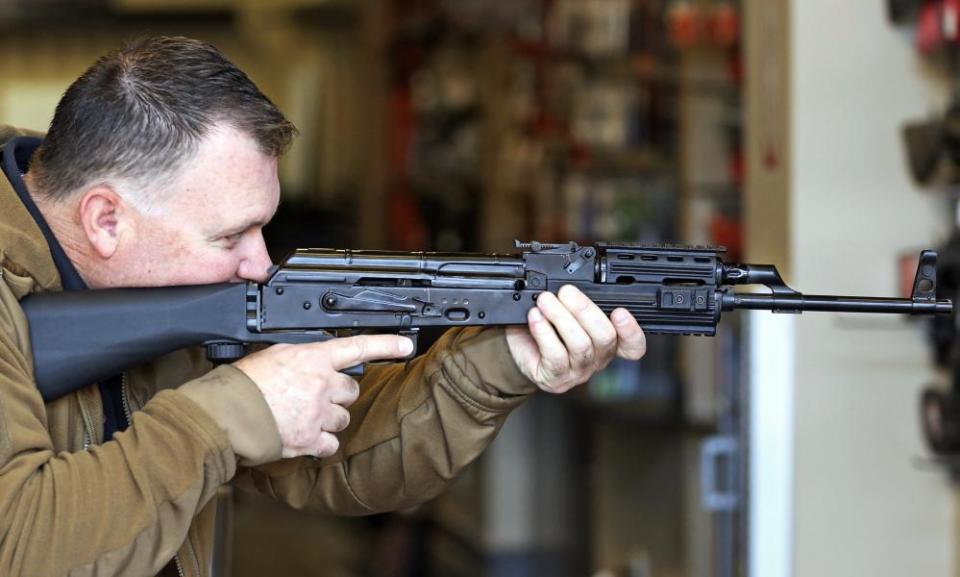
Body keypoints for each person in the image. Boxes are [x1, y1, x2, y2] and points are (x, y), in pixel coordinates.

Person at [0, 36, 646, 576]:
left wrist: (501, 358)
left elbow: (331, 468)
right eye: (229, 236)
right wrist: (229, 412)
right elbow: (22, 546)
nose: (259, 263)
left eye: (261, 230)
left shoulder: (163, 289)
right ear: (107, 218)